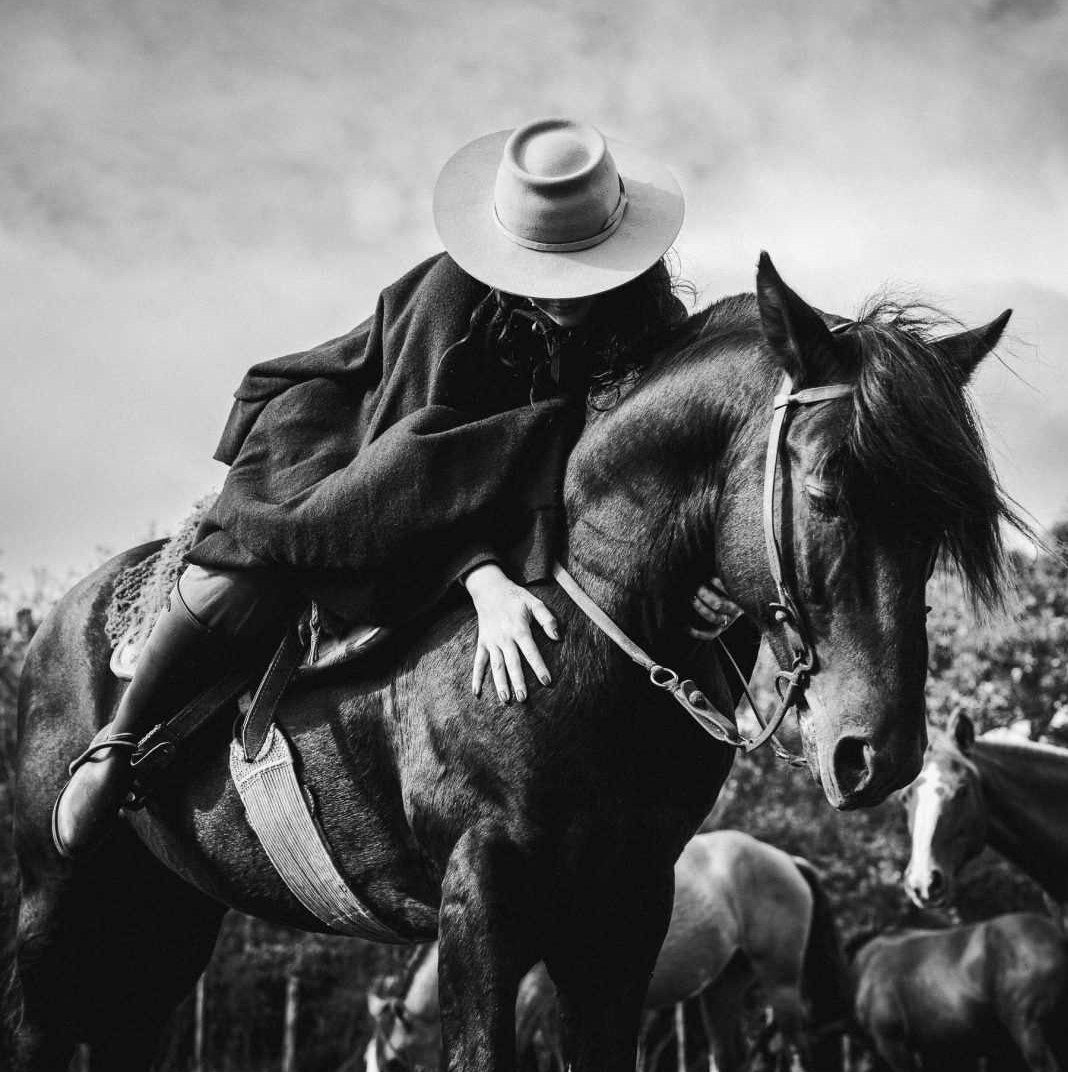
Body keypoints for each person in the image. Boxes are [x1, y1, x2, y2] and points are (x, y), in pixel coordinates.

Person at [52, 117, 741, 860]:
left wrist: (704, 575)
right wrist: (483, 580)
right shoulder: (451, 297)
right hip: (363, 442)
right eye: (551, 268)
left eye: (587, 266)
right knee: (252, 565)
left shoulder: (654, 320)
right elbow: (414, 472)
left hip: (508, 485)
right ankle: (116, 742)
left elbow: (646, 477)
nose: (567, 295)